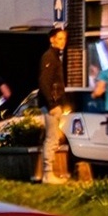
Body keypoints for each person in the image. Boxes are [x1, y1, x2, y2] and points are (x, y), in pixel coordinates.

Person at [38, 28, 69, 183]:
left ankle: (48, 173)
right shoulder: (50, 57)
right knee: (52, 138)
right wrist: (52, 103)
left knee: (53, 137)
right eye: (59, 38)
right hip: (52, 105)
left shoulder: (56, 58)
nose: (62, 41)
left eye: (64, 38)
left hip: (55, 104)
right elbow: (44, 82)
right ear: (52, 39)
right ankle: (48, 174)